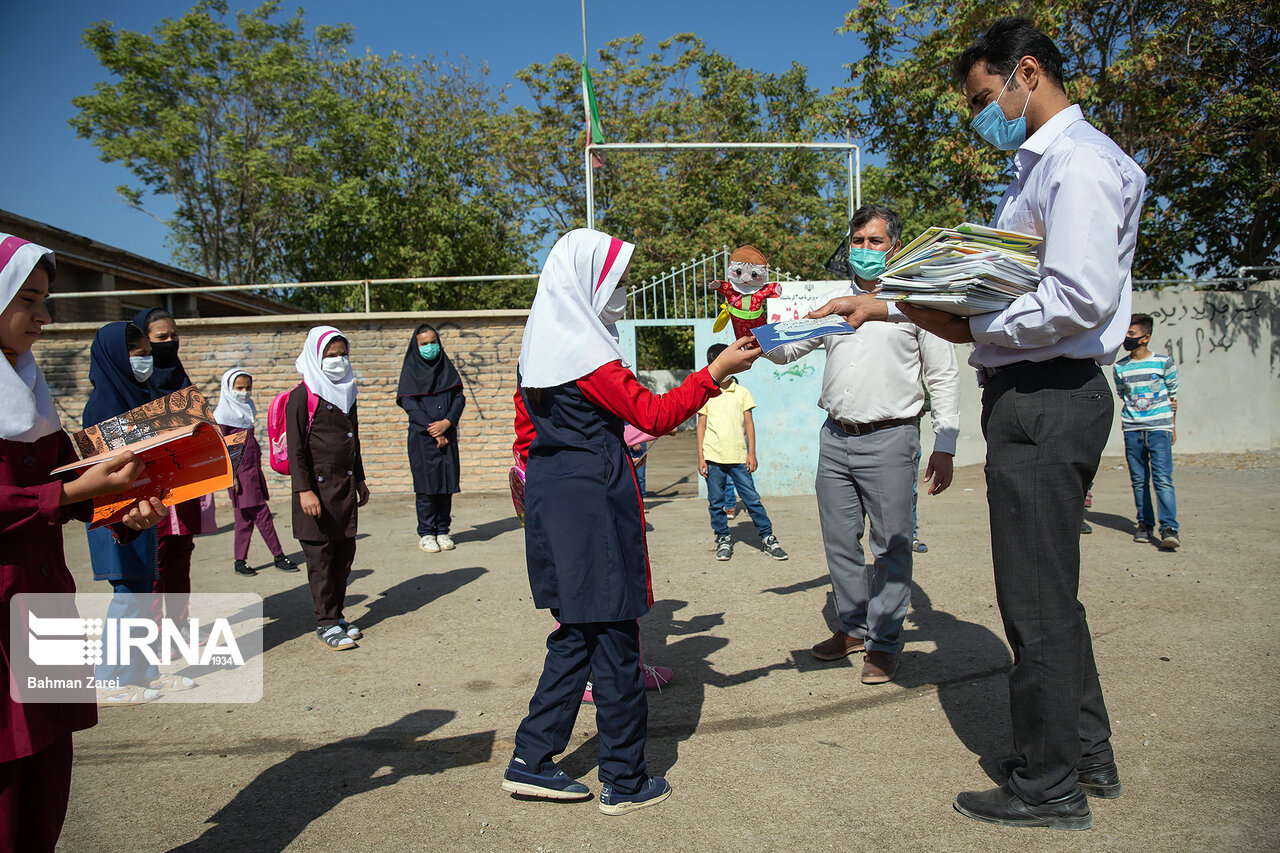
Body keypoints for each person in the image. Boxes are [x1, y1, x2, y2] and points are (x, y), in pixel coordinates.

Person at [812, 16, 1144, 830]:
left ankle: (1050, 784)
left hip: (1047, 396)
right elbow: (999, 292)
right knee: (1049, 597)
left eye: (984, 96)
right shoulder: (1046, 169)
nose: (980, 115)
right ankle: (1086, 757)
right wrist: (893, 301)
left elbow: (1076, 300)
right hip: (1033, 392)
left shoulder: (1081, 165)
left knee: (1033, 604)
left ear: (1025, 72)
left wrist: (976, 330)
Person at [503, 228, 761, 814]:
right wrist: (714, 371)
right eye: (613, 282)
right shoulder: (586, 356)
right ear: (585, 284)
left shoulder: (539, 348)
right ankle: (624, 777)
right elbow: (655, 412)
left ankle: (531, 758)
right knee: (616, 641)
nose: (620, 293)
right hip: (591, 504)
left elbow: (527, 432)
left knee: (576, 634)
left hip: (556, 498)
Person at [0, 235, 167, 853]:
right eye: (29, 300)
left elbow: (70, 485)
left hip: (42, 606)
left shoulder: (31, 393)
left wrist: (127, 511)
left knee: (47, 772)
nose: (44, 317)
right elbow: (54, 495)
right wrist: (70, 497)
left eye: (46, 300)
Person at [768, 204, 958, 686]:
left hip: (891, 438)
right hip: (835, 437)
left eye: (875, 241)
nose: (865, 250)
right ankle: (852, 628)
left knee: (891, 544)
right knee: (839, 542)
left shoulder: (914, 302)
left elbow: (943, 373)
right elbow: (784, 348)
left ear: (894, 246)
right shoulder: (835, 303)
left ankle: (885, 642)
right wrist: (745, 314)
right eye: (857, 241)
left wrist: (946, 441)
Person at [82, 320, 196, 697]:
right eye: (137, 355)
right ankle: (109, 679)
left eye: (149, 354)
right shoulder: (102, 406)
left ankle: (146, 672)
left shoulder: (142, 398)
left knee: (144, 591)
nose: (146, 361)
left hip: (146, 508)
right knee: (129, 595)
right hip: (118, 515)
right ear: (116, 358)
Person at [288, 327, 369, 651]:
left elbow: (354, 441)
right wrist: (304, 490)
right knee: (320, 560)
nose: (338, 361)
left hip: (344, 487)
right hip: (316, 493)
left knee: (343, 556)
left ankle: (336, 616)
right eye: (330, 355)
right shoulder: (302, 395)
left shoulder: (348, 392)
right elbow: (296, 449)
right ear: (315, 357)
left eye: (342, 354)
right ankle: (325, 622)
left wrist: (360, 479)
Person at [133, 307, 210, 627]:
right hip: (150, 492)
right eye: (161, 337)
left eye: (174, 335)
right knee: (154, 562)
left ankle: (179, 626)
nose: (170, 342)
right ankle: (153, 631)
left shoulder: (182, 384)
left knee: (181, 558)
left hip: (185, 488)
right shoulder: (135, 388)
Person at [696, 343, 787, 562]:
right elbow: (701, 426)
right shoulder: (706, 394)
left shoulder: (742, 393)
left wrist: (751, 453)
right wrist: (700, 457)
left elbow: (749, 424)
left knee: (752, 499)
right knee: (716, 502)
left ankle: (767, 537)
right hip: (713, 458)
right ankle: (723, 538)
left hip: (738, 458)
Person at [212, 368, 298, 576]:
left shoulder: (246, 408)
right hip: (240, 476)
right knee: (262, 515)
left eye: (247, 388)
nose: (244, 392)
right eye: (239, 388)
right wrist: (230, 477)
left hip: (252, 471)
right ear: (228, 388)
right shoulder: (223, 415)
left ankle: (240, 560)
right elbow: (220, 450)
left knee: (244, 520)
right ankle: (279, 556)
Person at [396, 323, 465, 554]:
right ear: (416, 348)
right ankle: (426, 533)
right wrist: (431, 428)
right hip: (422, 439)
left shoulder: (447, 368)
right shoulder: (410, 370)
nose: (430, 347)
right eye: (424, 344)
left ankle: (443, 530)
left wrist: (447, 423)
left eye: (433, 342)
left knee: (446, 485)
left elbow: (458, 398)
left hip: (448, 433)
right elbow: (408, 402)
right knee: (426, 488)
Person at [1114, 313, 1179, 549]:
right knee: (1139, 479)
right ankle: (1144, 524)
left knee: (1162, 479)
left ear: (1145, 337)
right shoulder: (1120, 367)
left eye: (1131, 334)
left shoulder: (1163, 363)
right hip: (1132, 429)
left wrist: (1172, 426)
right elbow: (1123, 394)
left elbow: (1173, 395)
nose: (1126, 338)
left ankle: (1169, 528)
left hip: (1159, 428)